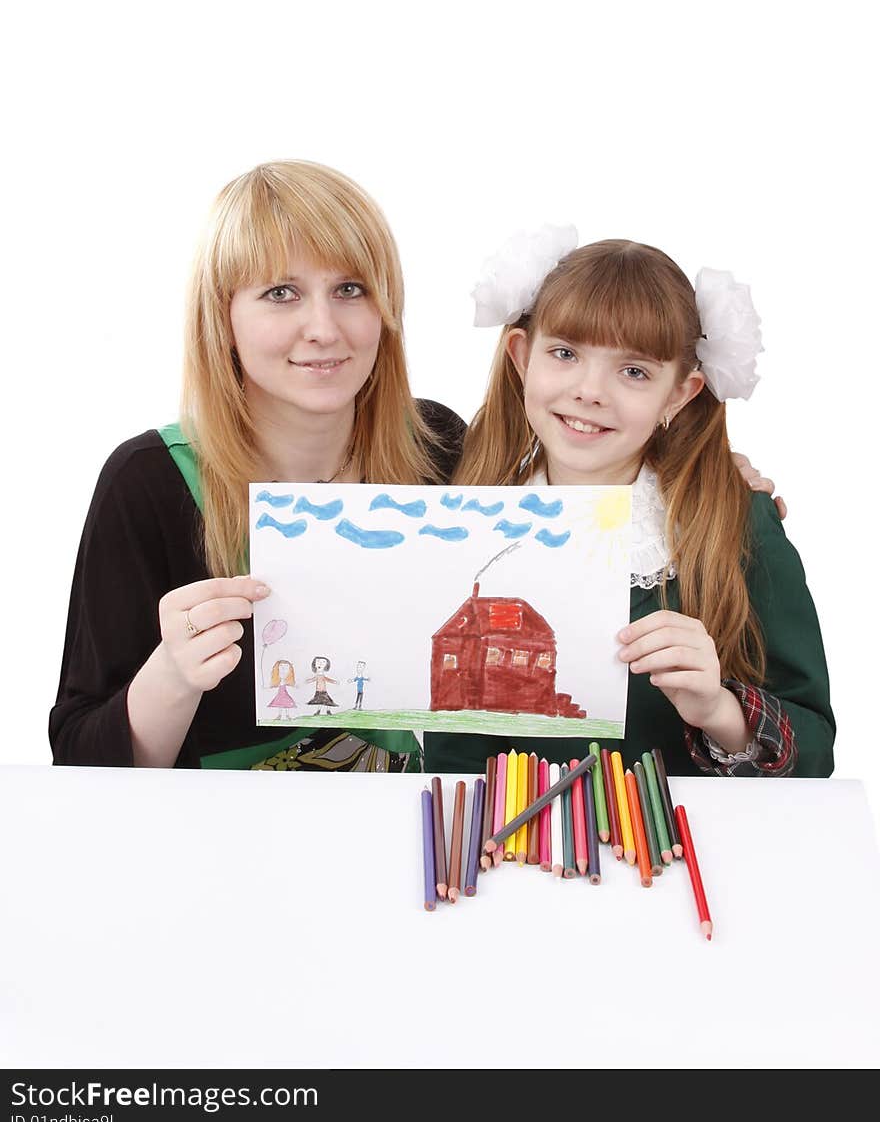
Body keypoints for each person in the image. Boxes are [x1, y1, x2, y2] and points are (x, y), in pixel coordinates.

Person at [50, 160, 465, 771]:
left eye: (350, 289)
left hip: (418, 839)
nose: (323, 328)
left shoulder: (437, 444)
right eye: (280, 293)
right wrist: (174, 674)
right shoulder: (146, 482)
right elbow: (80, 762)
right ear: (224, 318)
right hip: (221, 851)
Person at [425, 230, 834, 777]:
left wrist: (718, 709)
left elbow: (815, 750)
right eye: (565, 353)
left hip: (673, 852)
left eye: (634, 371)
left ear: (679, 393)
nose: (590, 390)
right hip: (503, 846)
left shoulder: (734, 523)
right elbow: (450, 749)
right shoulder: (459, 513)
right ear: (522, 357)